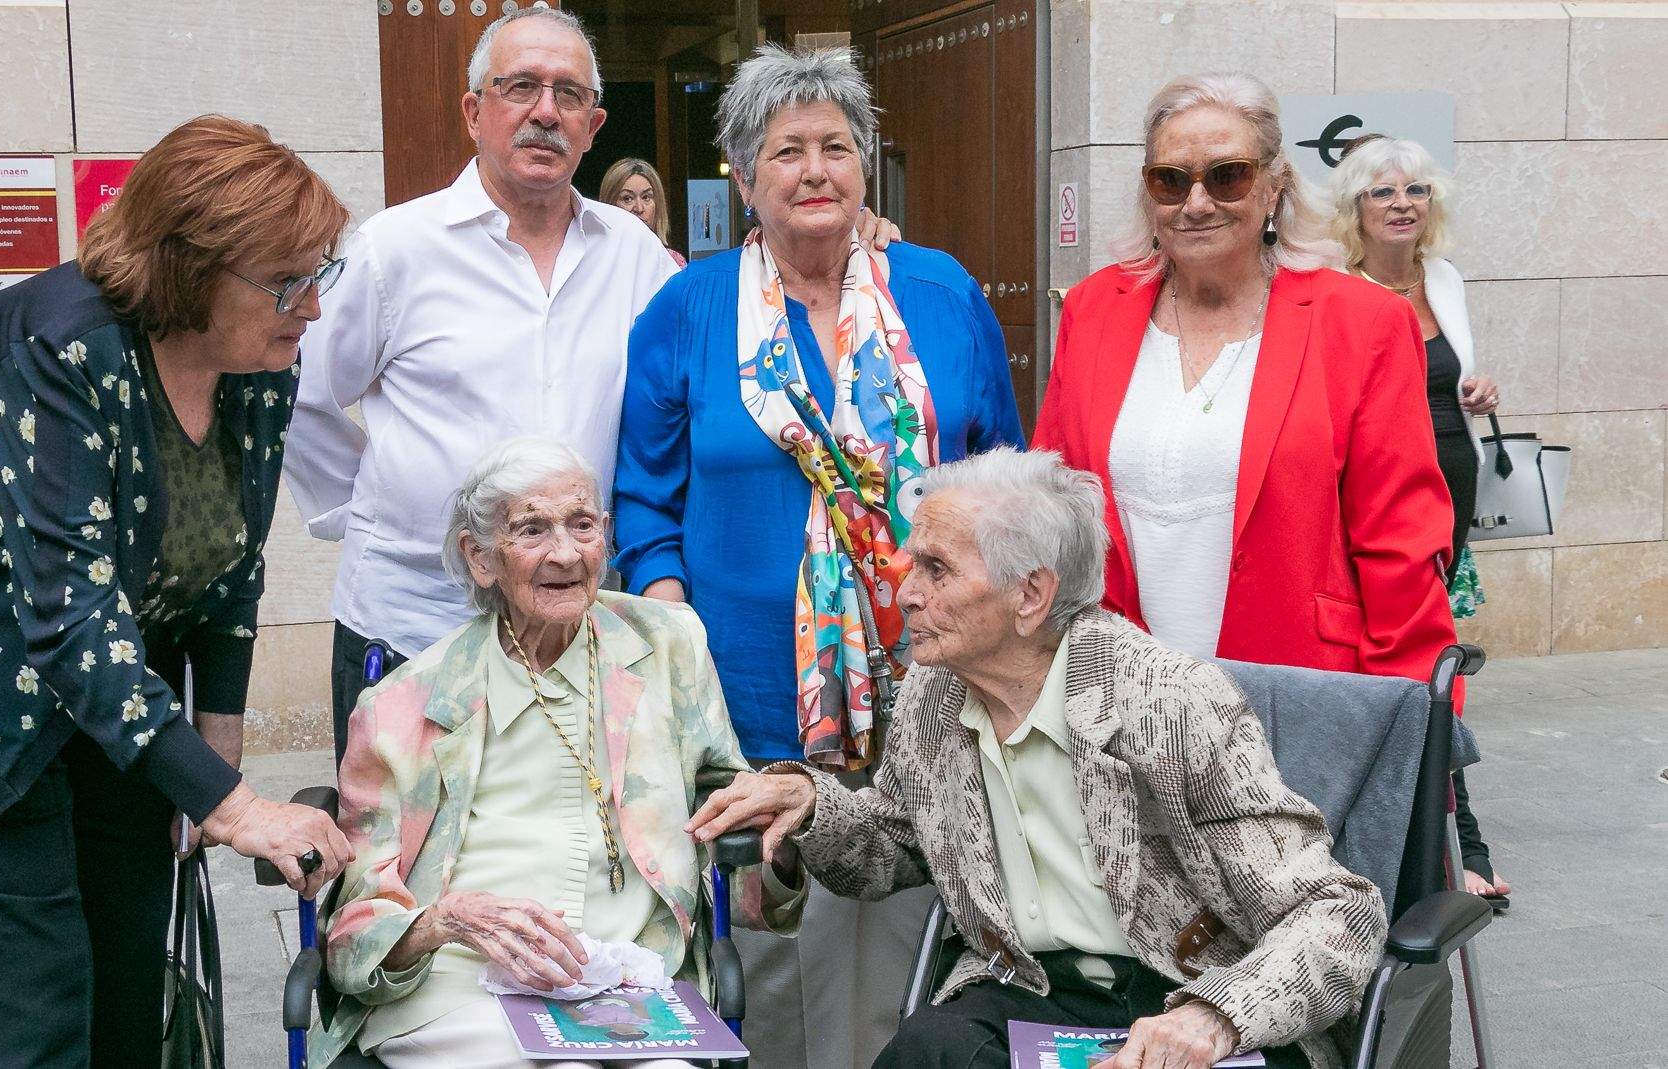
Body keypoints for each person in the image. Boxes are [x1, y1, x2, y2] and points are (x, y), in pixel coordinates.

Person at [0, 115, 354, 1067]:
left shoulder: (262, 362)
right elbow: (68, 619)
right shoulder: (64, 343)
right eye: (288, 279)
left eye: (321, 271)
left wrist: (215, 745)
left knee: (128, 953)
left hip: (117, 663)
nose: (312, 305)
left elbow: (231, 560)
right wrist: (239, 809)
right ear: (193, 269)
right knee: (36, 987)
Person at [286, 9, 898, 757]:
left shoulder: (633, 254)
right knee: (410, 857)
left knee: (565, 857)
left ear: (593, 124)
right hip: (418, 623)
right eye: (521, 88)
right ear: (474, 111)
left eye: (568, 95)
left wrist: (851, 232)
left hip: (575, 635)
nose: (545, 111)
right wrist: (383, 509)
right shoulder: (394, 249)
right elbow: (300, 392)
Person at [687, 448, 1387, 1069]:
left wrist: (1215, 1016)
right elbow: (898, 840)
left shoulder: (1164, 702)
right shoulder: (933, 693)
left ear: (1031, 594)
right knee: (924, 1052)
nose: (905, 591)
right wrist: (813, 803)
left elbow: (1340, 913)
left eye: (935, 568)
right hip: (1030, 986)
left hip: (1188, 989)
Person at [612, 43, 1023, 1069]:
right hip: (745, 697)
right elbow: (643, 498)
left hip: (930, 687)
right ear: (743, 179)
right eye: (784, 150)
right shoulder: (688, 309)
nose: (814, 170)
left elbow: (1002, 477)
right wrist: (681, 639)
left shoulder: (937, 293)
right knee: (772, 963)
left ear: (864, 165)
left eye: (836, 146)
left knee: (907, 947)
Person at [313, 437, 802, 1069]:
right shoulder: (405, 706)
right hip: (462, 986)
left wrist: (776, 839)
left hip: (629, 977)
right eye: (532, 530)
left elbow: (733, 822)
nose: (565, 553)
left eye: (582, 525)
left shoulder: (668, 647)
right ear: (479, 557)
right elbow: (356, 930)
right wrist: (443, 921)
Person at [1030, 73, 1459, 690]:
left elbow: (1401, 543)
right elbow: (1057, 505)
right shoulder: (1096, 309)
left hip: (1298, 688)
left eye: (1226, 175)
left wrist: (1413, 716)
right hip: (1117, 691)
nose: (1196, 203)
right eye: (1170, 180)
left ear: (1274, 186)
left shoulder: (1361, 323)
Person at [1329, 134, 1510, 907]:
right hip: (1377, 505)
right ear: (1355, 211)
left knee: (1434, 660)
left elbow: (1451, 374)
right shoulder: (1336, 290)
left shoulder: (1445, 279)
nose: (1402, 204)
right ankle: (1455, 842)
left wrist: (1479, 389)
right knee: (1418, 664)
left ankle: (1446, 836)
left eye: (1415, 191)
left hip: (1450, 492)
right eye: (1383, 192)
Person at [601, 157, 686, 266]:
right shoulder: (597, 260)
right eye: (627, 198)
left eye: (646, 197)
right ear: (609, 203)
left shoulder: (672, 262)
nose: (639, 208)